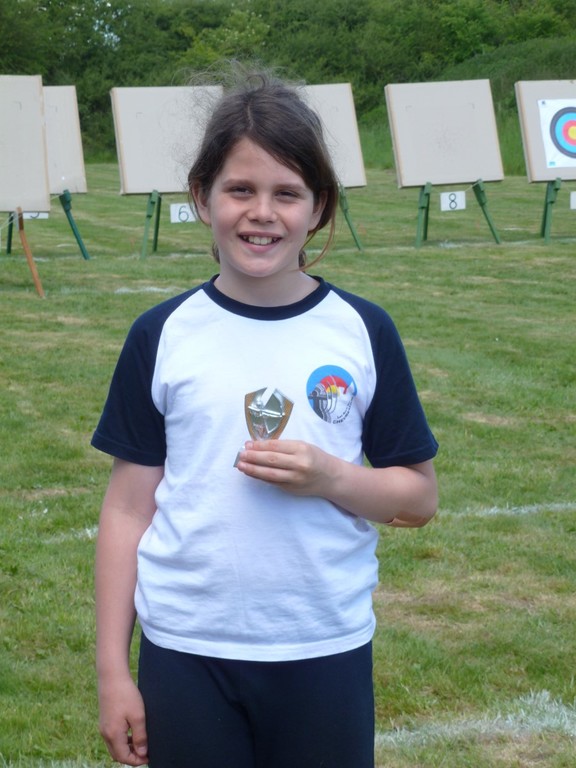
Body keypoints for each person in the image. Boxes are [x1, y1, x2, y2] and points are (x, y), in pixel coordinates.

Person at [93, 68, 438, 768]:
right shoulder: (161, 334)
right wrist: (112, 672)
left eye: (287, 193)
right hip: (186, 650)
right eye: (240, 190)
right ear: (202, 197)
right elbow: (128, 510)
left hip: (323, 645)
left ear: (319, 207)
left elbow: (418, 498)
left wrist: (331, 478)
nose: (262, 213)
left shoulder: (362, 331)